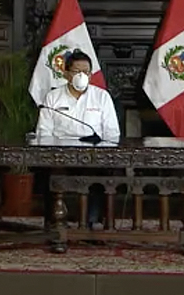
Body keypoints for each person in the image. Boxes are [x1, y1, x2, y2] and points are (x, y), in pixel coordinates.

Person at [35, 49, 120, 228]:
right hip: (60, 156)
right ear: (66, 74)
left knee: (99, 175)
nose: (82, 75)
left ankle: (91, 223)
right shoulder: (53, 97)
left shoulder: (101, 97)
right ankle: (57, 224)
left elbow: (112, 133)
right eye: (76, 71)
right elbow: (44, 132)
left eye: (86, 72)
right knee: (52, 174)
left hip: (93, 155)